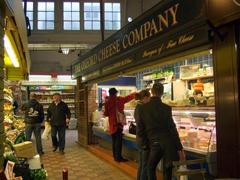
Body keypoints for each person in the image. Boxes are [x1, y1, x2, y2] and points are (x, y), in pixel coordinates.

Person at [138, 83, 185, 180]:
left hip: (154, 143)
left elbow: (140, 129)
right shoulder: (167, 108)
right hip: (168, 144)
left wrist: (144, 145)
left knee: (150, 168)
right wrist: (179, 148)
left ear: (151, 92)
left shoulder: (143, 108)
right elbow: (172, 128)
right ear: (162, 93)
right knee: (167, 169)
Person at [104, 88, 135, 162]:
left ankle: (115, 156)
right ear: (116, 93)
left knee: (114, 141)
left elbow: (106, 114)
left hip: (112, 124)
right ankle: (118, 158)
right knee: (118, 142)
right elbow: (128, 98)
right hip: (118, 124)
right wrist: (136, 93)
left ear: (109, 93)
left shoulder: (107, 102)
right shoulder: (119, 99)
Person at [134, 89, 151, 180]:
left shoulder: (138, 107)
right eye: (149, 98)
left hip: (140, 139)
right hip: (144, 140)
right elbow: (142, 126)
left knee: (141, 164)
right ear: (145, 98)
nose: (150, 100)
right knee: (145, 165)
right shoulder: (142, 108)